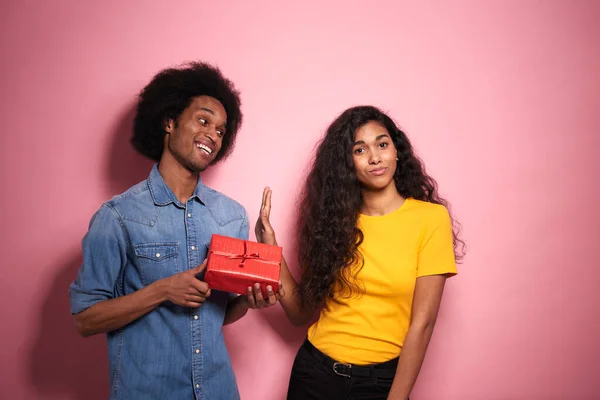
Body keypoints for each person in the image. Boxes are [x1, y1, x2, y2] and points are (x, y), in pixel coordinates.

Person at [69, 61, 282, 400]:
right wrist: (163, 290)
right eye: (203, 120)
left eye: (221, 130)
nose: (212, 133)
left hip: (218, 390)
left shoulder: (232, 216)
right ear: (170, 122)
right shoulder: (118, 216)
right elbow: (85, 319)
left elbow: (217, 316)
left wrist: (249, 300)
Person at [255, 105, 465, 399]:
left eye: (382, 144)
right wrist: (270, 249)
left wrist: (398, 396)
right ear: (346, 163)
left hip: (380, 382)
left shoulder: (430, 219)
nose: (375, 157)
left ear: (397, 150)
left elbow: (423, 323)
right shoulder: (334, 223)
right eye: (360, 150)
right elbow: (300, 313)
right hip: (315, 374)